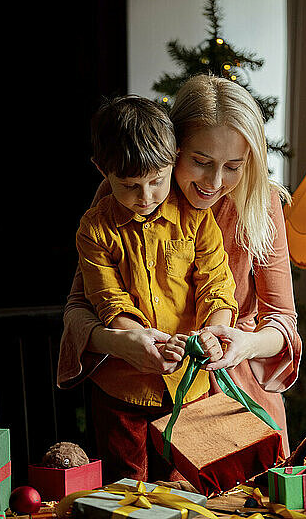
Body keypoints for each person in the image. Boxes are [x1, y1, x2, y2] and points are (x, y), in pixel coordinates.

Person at [57, 75, 301, 462]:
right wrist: (118, 342)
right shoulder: (130, 189)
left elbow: (283, 321)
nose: (214, 183)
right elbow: (80, 305)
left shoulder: (261, 201)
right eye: (200, 162)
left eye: (233, 166)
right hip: (139, 391)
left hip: (235, 394)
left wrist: (243, 345)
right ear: (172, 150)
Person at [73, 94, 238, 482]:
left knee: (187, 487)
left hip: (189, 388)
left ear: (174, 159)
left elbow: (216, 283)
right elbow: (107, 298)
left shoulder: (196, 220)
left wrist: (215, 330)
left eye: (156, 180)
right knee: (127, 487)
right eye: (130, 185)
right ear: (102, 169)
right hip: (121, 391)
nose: (145, 197)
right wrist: (137, 340)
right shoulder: (94, 229)